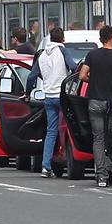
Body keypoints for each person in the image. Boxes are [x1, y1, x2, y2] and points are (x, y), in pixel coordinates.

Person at [78, 25, 112, 187]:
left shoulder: (92, 55)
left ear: (101, 39)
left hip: (94, 102)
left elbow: (82, 75)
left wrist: (92, 80)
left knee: (98, 138)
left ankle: (101, 175)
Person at [35, 27, 77, 178]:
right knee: (70, 128)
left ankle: (46, 166)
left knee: (51, 131)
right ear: (62, 39)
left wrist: (27, 93)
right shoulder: (62, 50)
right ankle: (70, 158)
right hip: (62, 96)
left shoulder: (42, 55)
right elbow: (73, 67)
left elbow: (33, 75)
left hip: (48, 96)